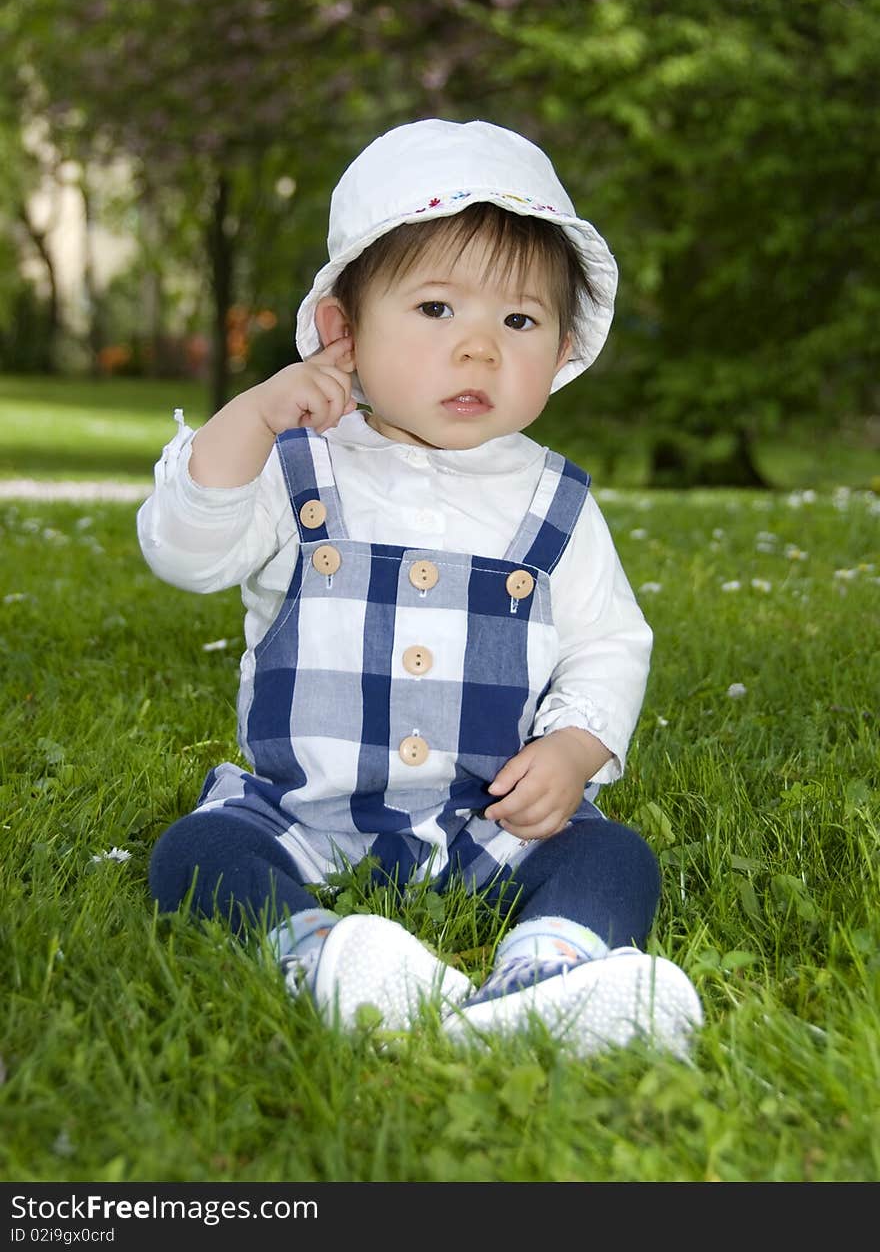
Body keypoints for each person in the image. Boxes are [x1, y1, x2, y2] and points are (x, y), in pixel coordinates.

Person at [138, 118, 702, 1060]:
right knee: (195, 855)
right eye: (438, 309)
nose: (479, 349)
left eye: (518, 321)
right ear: (343, 332)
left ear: (560, 350)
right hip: (303, 812)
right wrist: (251, 415)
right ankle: (325, 959)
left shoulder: (553, 499)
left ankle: (548, 974)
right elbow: (184, 551)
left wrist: (573, 746)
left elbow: (609, 640)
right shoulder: (298, 464)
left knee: (614, 855)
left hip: (491, 822)